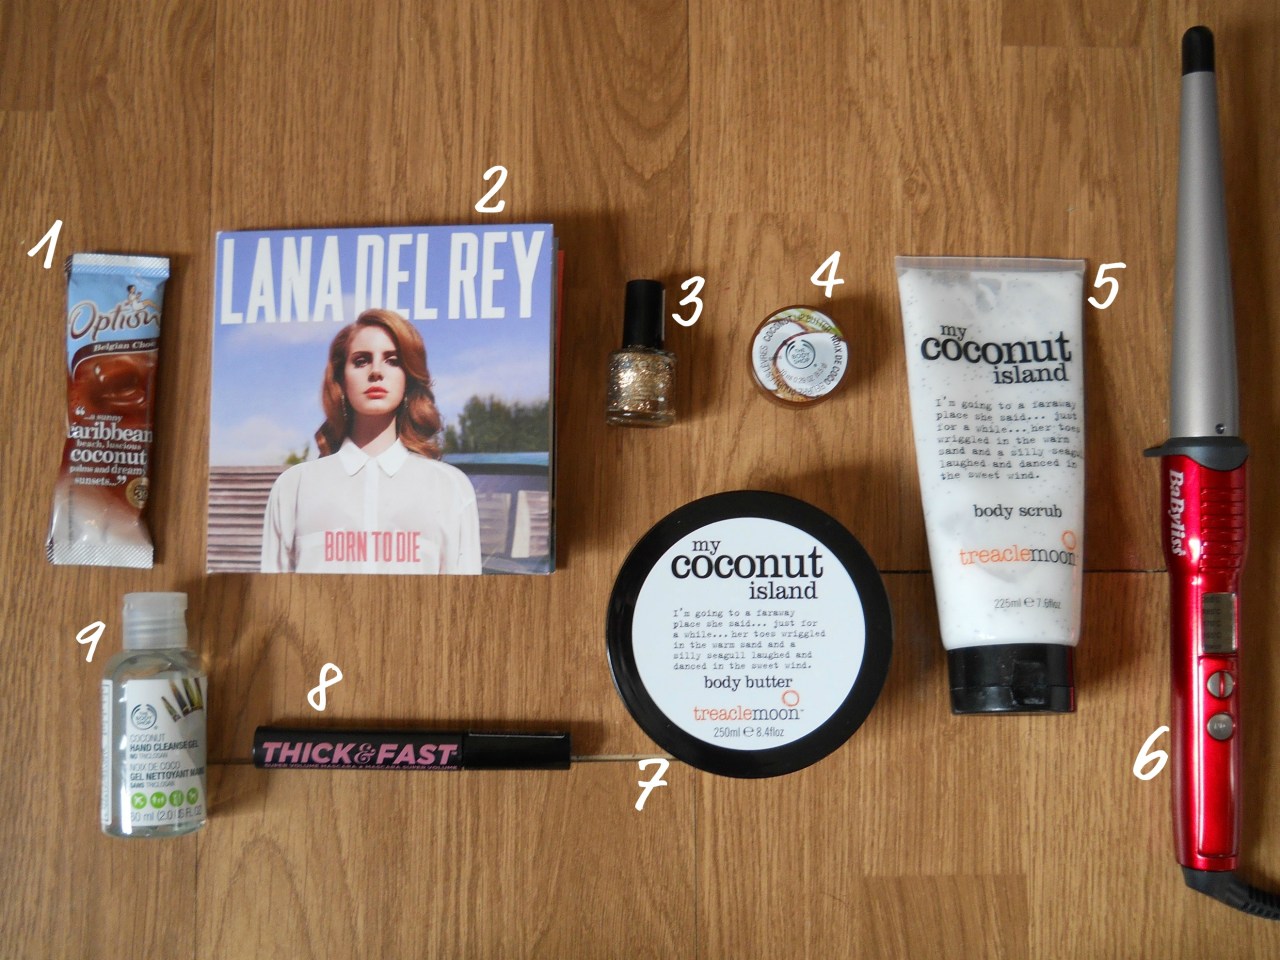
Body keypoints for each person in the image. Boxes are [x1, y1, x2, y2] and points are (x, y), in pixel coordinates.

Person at [260, 309, 482, 574]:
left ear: (408, 378)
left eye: (393, 361)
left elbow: (463, 594)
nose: (376, 371)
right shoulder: (293, 487)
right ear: (341, 378)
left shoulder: (450, 487)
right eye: (361, 360)